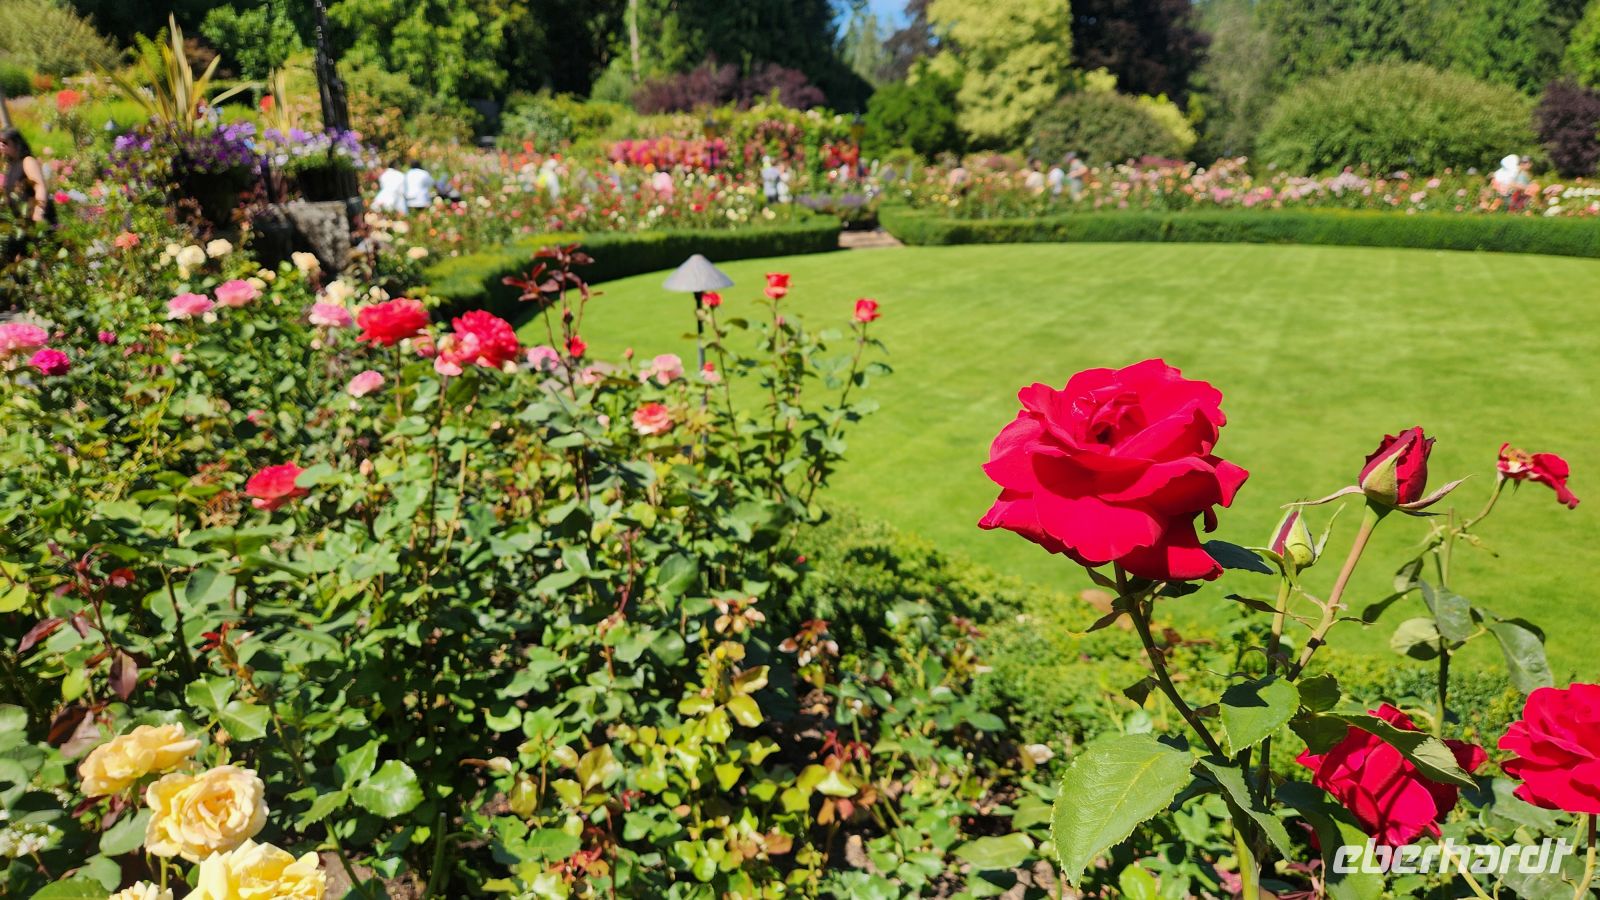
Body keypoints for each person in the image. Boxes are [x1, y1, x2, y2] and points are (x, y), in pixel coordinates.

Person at [1, 128, 53, 228]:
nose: (1, 145)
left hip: (34, 219)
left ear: (16, 143)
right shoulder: (10, 164)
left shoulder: (27, 161)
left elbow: (39, 186)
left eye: (5, 142)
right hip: (21, 220)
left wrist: (39, 212)